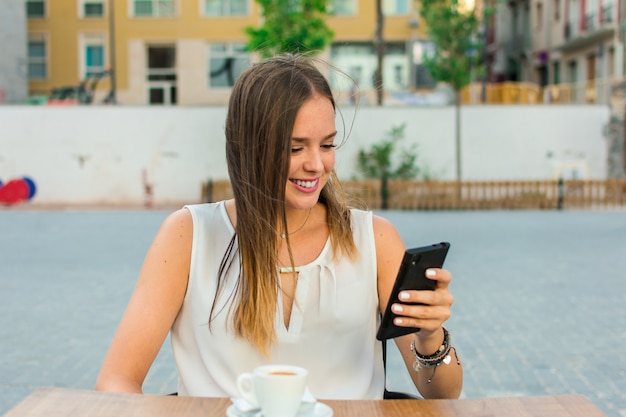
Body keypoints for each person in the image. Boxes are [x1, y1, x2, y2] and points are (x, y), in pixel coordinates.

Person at [95, 54, 463, 400]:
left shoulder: (375, 239)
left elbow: (442, 396)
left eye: (328, 144)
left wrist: (430, 337)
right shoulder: (188, 235)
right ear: (249, 147)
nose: (317, 164)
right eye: (295, 148)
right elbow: (116, 379)